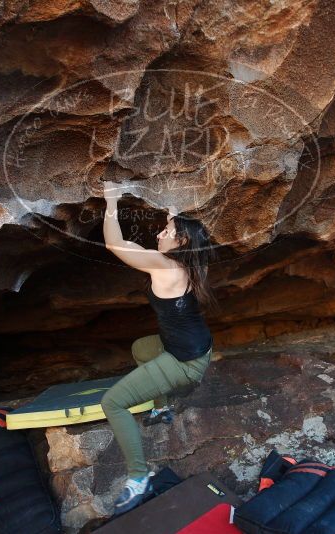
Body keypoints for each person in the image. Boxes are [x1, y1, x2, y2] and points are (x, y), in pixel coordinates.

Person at [99, 180, 216, 516]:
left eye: (166, 231)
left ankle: (139, 479)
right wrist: (174, 215)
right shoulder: (195, 262)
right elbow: (189, 236)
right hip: (196, 348)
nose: (159, 235)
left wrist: (111, 201)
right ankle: (161, 408)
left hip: (184, 363)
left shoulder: (164, 265)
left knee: (114, 402)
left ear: (180, 242)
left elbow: (114, 244)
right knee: (140, 347)